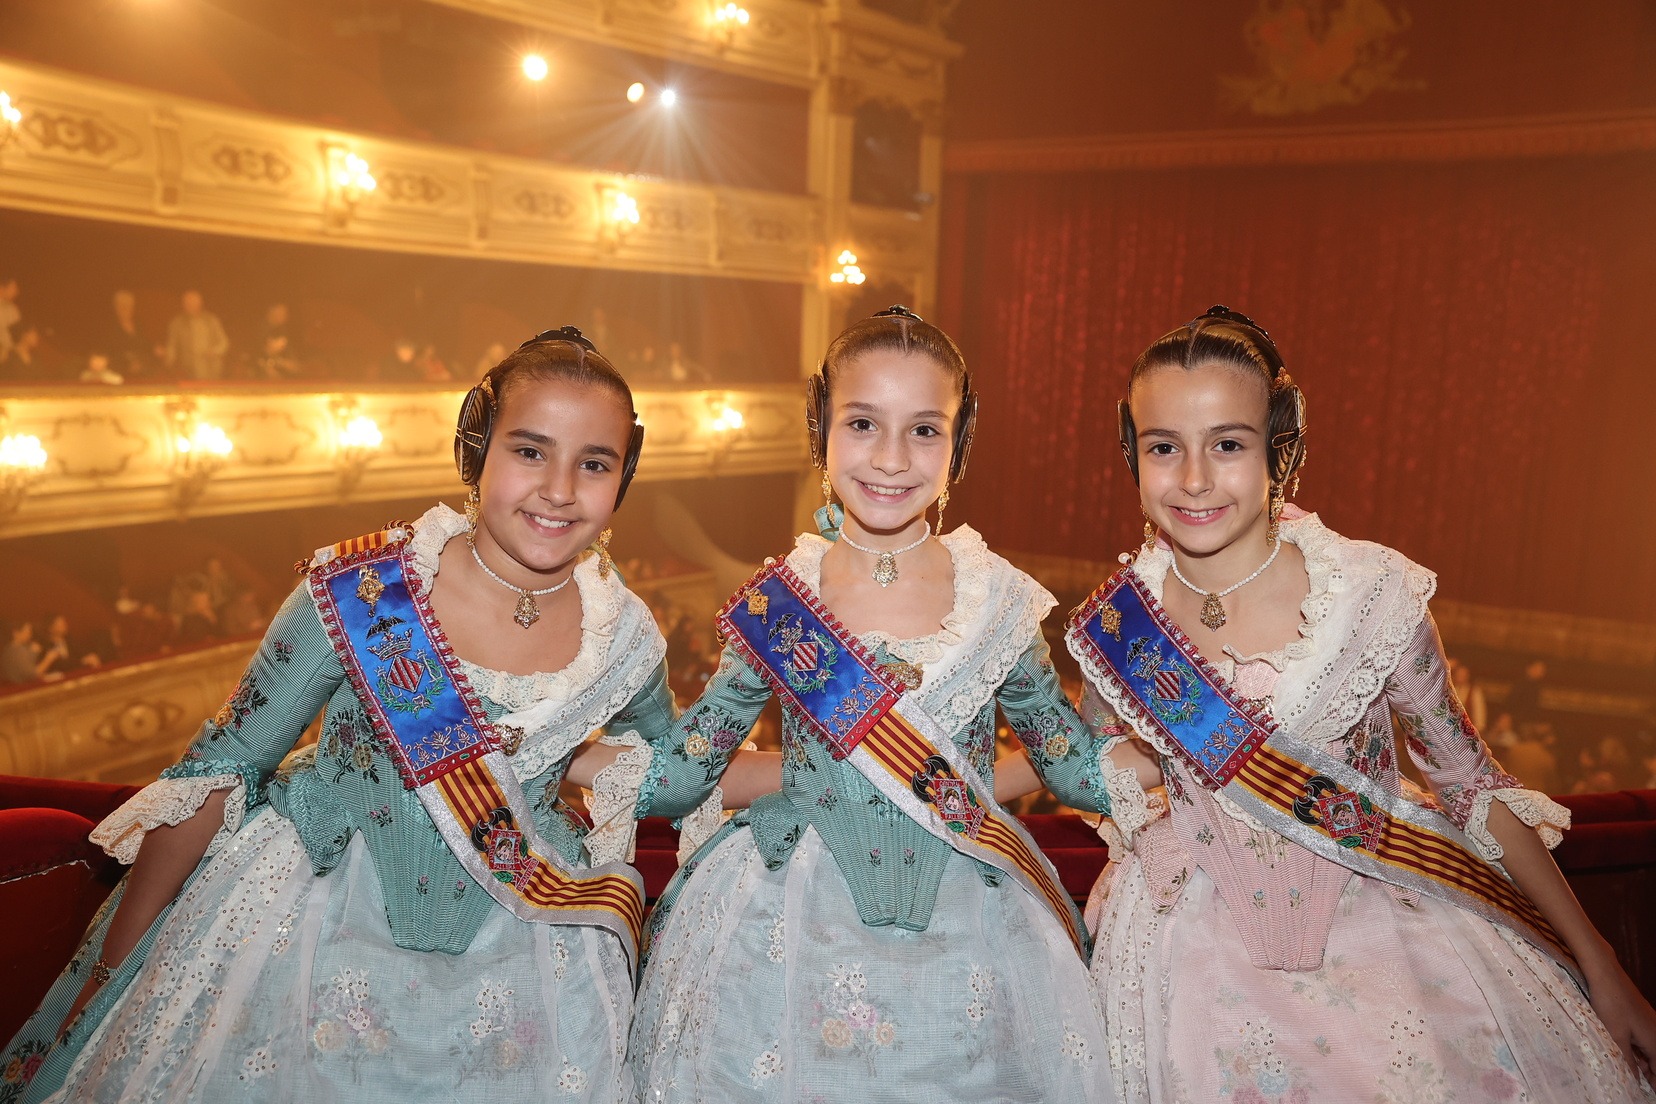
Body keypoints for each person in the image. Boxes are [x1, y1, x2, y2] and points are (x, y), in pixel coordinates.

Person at [0, 328, 745, 1103]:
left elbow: (668, 770)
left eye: (594, 463)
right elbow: (217, 774)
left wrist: (790, 734)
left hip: (527, 947)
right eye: (530, 451)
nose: (559, 489)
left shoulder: (622, 633)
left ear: (624, 479)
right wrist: (112, 974)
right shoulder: (361, 588)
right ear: (477, 450)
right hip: (307, 923)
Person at [1039, 307, 1654, 1101]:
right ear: (1132, 453)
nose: (1192, 478)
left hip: (1387, 938)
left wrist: (1601, 965)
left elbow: (1473, 788)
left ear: (1280, 449)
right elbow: (1093, 770)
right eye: (1164, 447)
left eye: (1227, 444)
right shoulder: (1120, 622)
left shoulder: (1372, 595)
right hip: (1181, 960)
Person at [625, 307, 1117, 1102]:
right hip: (790, 927)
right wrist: (558, 735)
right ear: (819, 428)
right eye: (862, 424)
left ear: (960, 443)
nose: (891, 458)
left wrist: (1160, 721)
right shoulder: (778, 604)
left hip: (976, 930)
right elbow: (680, 779)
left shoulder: (999, 602)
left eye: (924, 430)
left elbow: (1076, 773)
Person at [163, 290, 230, 380]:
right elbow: (172, 347)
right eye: (187, 303)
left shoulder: (211, 321)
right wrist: (168, 360)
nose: (189, 306)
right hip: (187, 370)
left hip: (211, 369)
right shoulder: (177, 323)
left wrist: (214, 351)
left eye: (193, 303)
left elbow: (224, 342)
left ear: (200, 303)